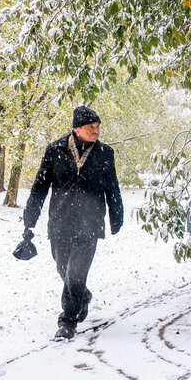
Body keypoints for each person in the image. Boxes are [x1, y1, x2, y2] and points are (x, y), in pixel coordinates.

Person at [22, 106, 123, 340]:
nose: (96, 131)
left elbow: (112, 187)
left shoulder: (104, 153)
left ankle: (67, 321)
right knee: (63, 268)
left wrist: (116, 215)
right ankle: (83, 296)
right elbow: (39, 187)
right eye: (91, 127)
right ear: (77, 128)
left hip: (90, 222)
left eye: (98, 127)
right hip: (60, 221)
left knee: (76, 272)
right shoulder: (55, 150)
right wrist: (30, 220)